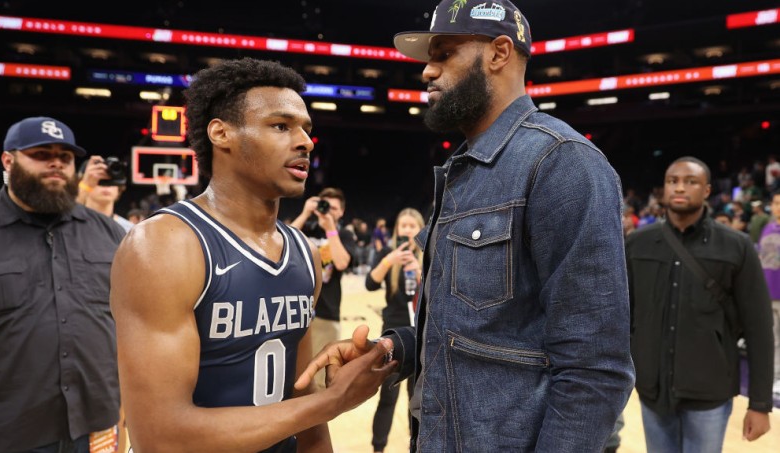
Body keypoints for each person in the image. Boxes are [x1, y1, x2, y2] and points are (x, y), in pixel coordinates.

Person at [298, 1, 635, 451]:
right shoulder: (464, 170)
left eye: (444, 54)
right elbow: (477, 331)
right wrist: (392, 351)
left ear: (499, 53)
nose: (427, 72)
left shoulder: (563, 163)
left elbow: (595, 370)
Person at [109, 58, 395, 452]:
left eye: (307, 130)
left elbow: (300, 395)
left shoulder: (303, 253)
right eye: (281, 126)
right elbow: (160, 435)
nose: (305, 142)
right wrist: (332, 401)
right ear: (221, 133)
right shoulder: (165, 245)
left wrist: (319, 405)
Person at [0, 116, 126, 452]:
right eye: (41, 154)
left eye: (65, 157)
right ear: (8, 161)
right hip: (0, 433)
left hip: (94, 427)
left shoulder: (110, 233)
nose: (56, 162)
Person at [627, 156, 774, 452]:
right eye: (673, 181)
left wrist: (760, 404)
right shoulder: (637, 244)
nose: (679, 188)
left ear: (707, 190)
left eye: (690, 182)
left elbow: (759, 327)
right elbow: (623, 317)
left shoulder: (737, 246)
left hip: (710, 392)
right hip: (652, 393)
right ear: (663, 189)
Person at [366, 208, 424, 453]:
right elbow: (370, 283)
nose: (407, 230)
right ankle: (378, 448)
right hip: (392, 338)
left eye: (412, 226)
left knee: (417, 400)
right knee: (387, 398)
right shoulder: (387, 256)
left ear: (421, 229)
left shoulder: (429, 256)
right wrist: (389, 261)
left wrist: (419, 271)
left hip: (420, 337)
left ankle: (418, 446)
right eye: (403, 226)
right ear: (397, 230)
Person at [290, 187, 358, 386]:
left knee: (319, 381)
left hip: (326, 313)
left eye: (334, 208)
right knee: (293, 375)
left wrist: (330, 228)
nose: (329, 211)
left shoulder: (344, 234)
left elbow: (341, 263)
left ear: (342, 211)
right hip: (297, 310)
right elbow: (282, 242)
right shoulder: (307, 229)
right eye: (325, 206)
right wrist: (304, 213)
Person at [757, 190, 780, 398]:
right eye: (775, 203)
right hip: (768, 291)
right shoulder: (767, 228)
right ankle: (775, 377)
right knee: (772, 339)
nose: (777, 207)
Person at [77, 158, 134, 232]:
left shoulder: (130, 230)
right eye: (99, 179)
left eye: (112, 179)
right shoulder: (70, 226)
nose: (106, 185)